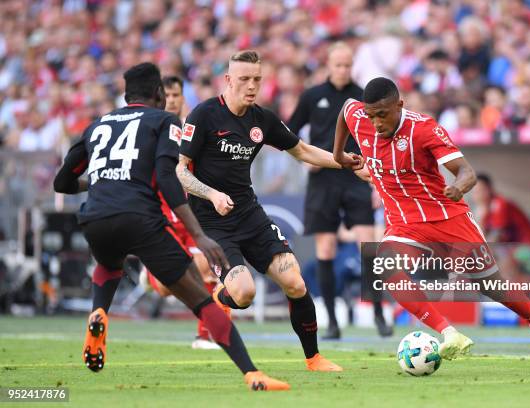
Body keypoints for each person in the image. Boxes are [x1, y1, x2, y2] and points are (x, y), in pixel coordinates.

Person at [53, 62, 289, 391]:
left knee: (109, 264)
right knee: (203, 300)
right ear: (159, 94)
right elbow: (167, 177)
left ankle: (98, 313)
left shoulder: (98, 124)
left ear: (125, 95)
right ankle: (252, 373)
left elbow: (62, 182)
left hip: (94, 217)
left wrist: (95, 183)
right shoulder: (164, 121)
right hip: (140, 219)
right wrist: (199, 236)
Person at [333, 77, 530, 368]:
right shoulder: (361, 117)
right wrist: (338, 153)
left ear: (399, 105)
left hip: (447, 219)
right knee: (385, 265)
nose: (376, 123)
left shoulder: (424, 128)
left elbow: (467, 172)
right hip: (405, 224)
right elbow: (345, 109)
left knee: (491, 286)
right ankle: (449, 333)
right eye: (371, 116)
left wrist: (459, 187)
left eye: (382, 115)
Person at [176, 50, 364, 372]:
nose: (251, 86)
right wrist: (211, 194)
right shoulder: (203, 115)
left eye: (257, 80)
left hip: (250, 215)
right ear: (228, 80)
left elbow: (302, 151)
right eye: (244, 79)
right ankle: (219, 296)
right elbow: (181, 171)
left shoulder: (262, 119)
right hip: (213, 222)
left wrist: (343, 161)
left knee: (295, 282)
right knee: (245, 293)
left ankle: (314, 358)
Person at [287, 42, 391, 339]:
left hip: (358, 176)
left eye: (347, 65)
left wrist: (376, 179)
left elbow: (380, 137)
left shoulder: (362, 97)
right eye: (338, 65)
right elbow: (288, 132)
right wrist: (304, 158)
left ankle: (379, 315)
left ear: (352, 66)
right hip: (323, 179)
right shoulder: (312, 96)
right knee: (326, 249)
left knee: (368, 247)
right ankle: (332, 322)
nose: (343, 70)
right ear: (328, 65)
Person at [141, 75, 228, 350]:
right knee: (169, 286)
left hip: (193, 214)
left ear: (183, 98)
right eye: (167, 95)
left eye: (176, 95)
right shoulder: (149, 131)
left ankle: (206, 336)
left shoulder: (193, 129)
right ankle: (152, 278)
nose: (172, 100)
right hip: (162, 216)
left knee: (213, 265)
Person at [472, 174, 530, 243]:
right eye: (475, 192)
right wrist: (482, 219)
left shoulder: (500, 204)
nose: (479, 195)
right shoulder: (481, 209)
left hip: (527, 243)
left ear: (490, 189)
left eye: (481, 190)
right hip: (512, 245)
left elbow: (496, 237)